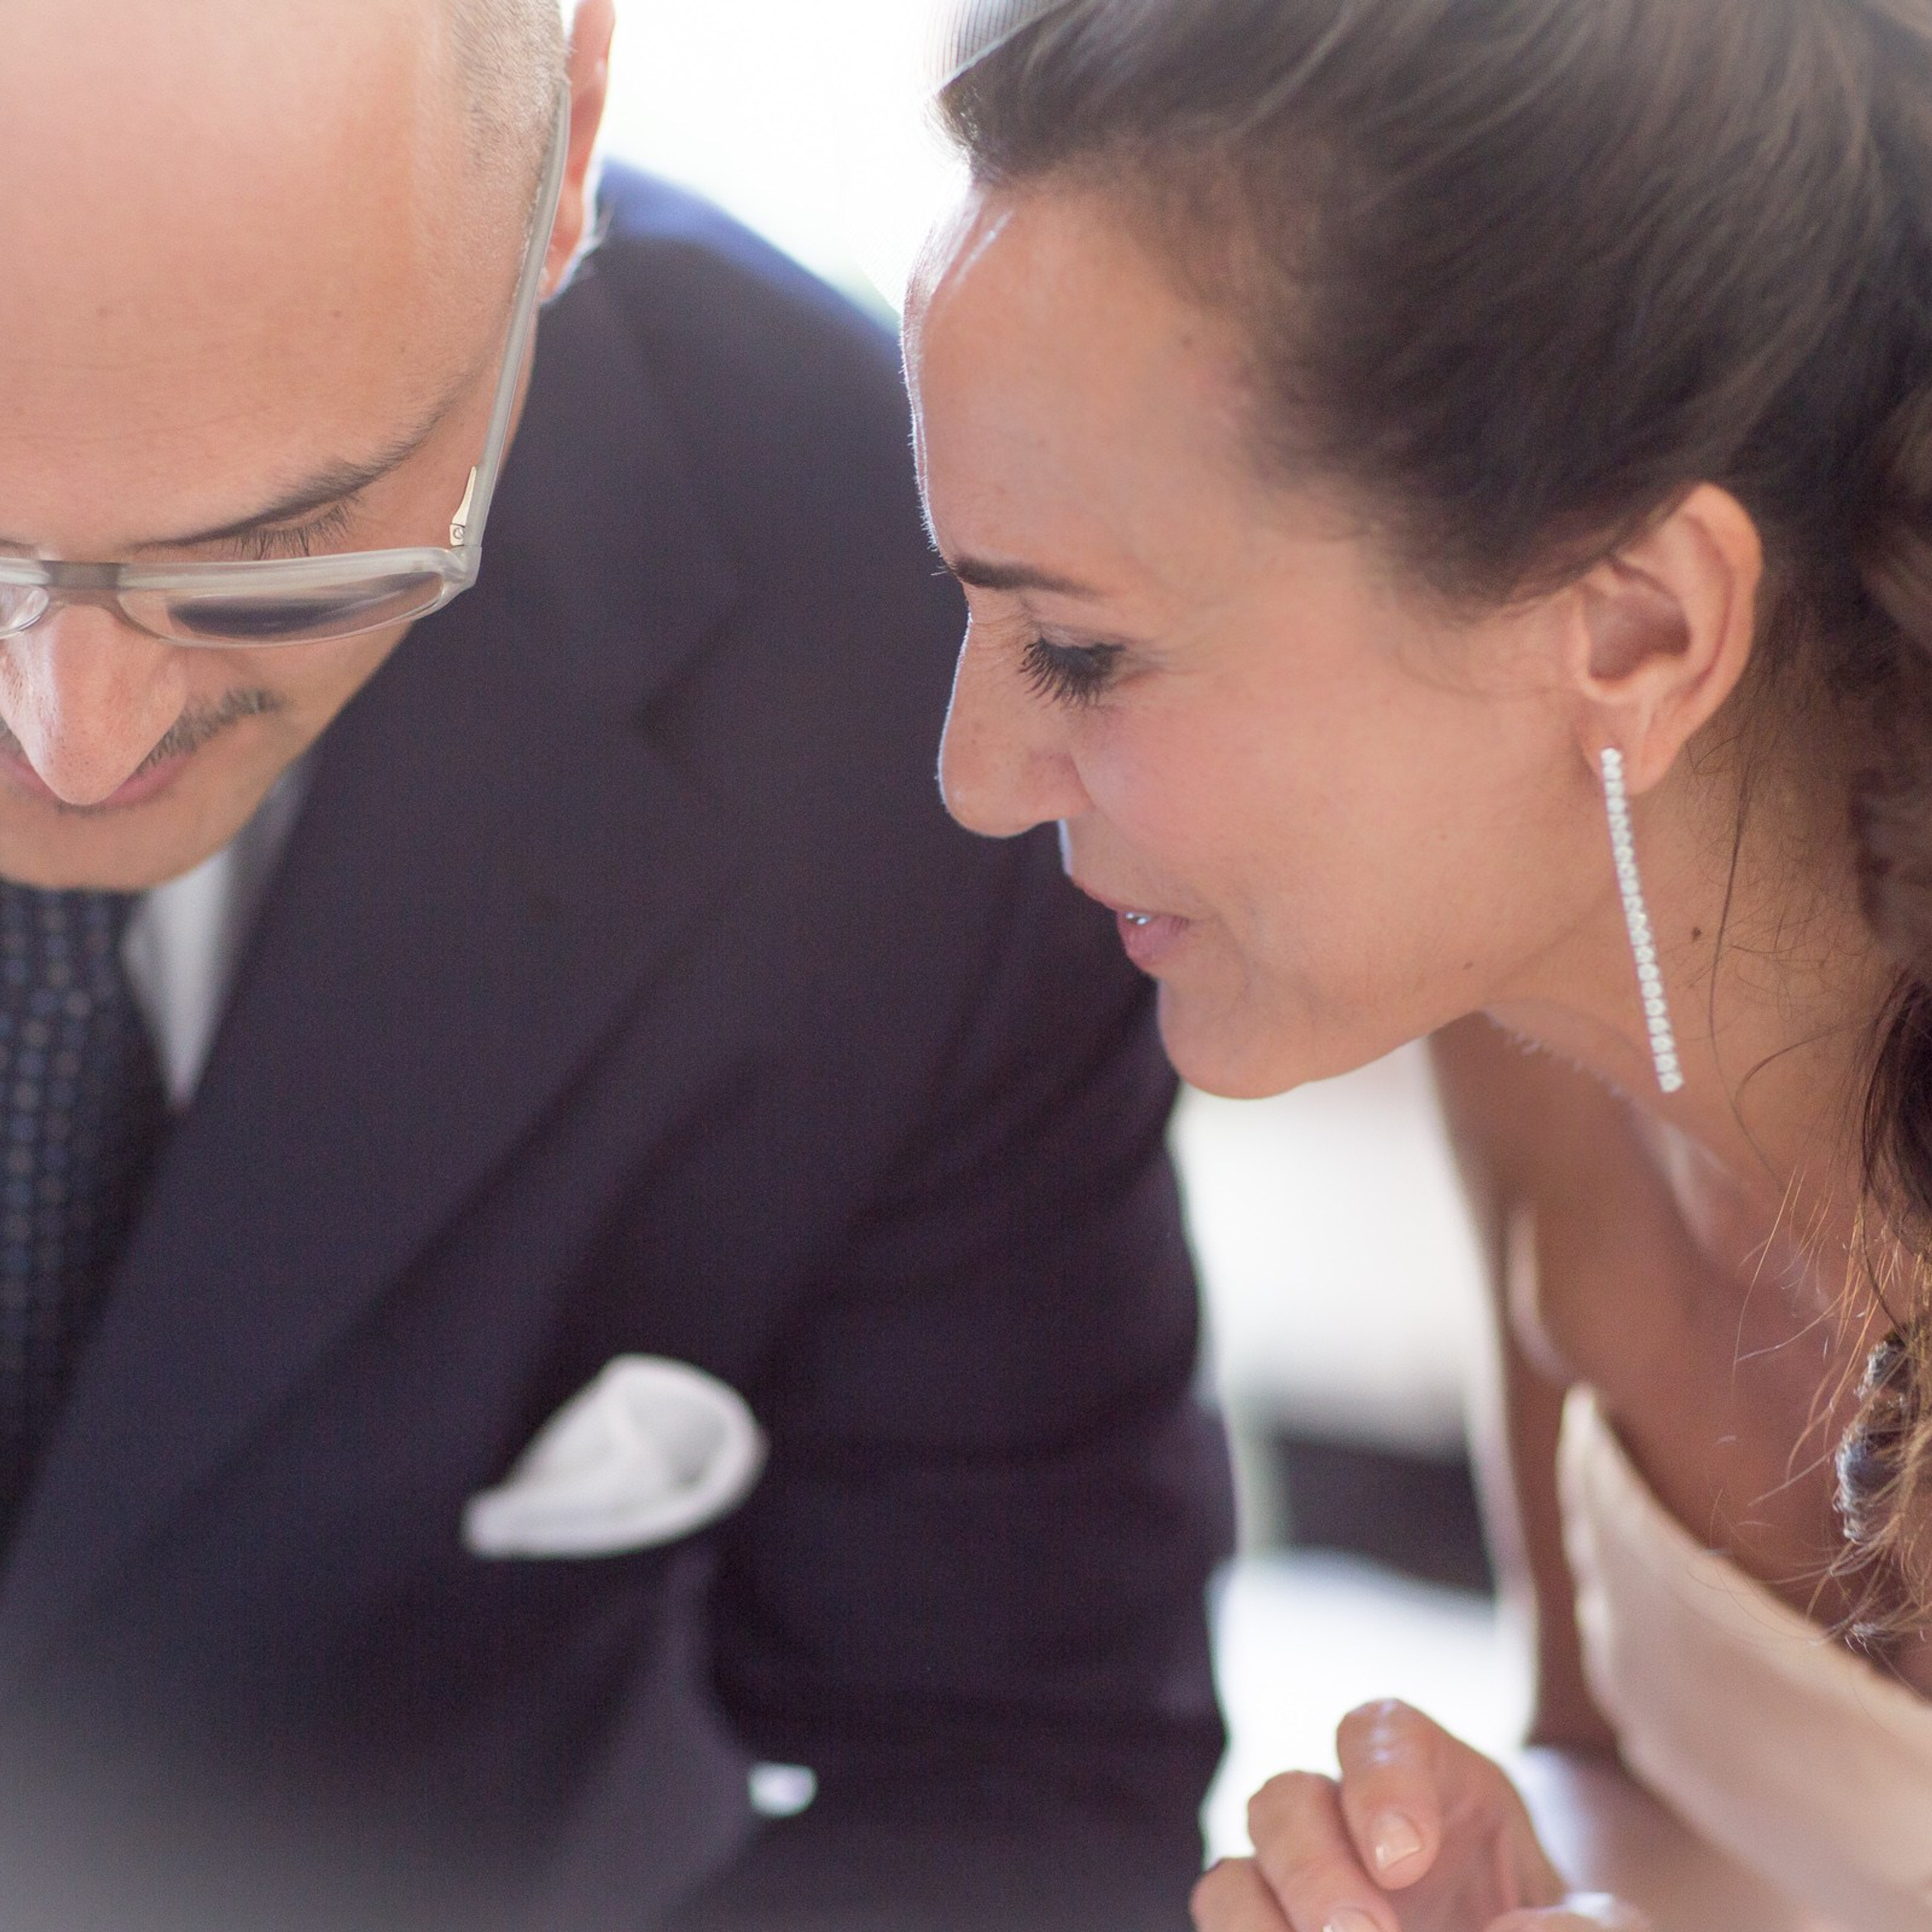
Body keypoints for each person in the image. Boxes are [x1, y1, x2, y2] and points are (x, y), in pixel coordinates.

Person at [0, 2, 1236, 1928]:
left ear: (562, 140)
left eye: (282, 545)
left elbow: (1011, 1771)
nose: (81, 736)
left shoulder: (903, 662)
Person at [907, 0, 1932, 1927]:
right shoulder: (1534, 1024)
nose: (973, 782)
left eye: (1084, 648)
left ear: (1633, 626)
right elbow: (1657, 1789)